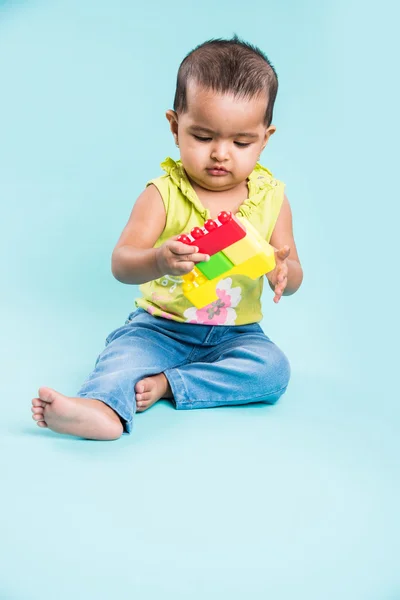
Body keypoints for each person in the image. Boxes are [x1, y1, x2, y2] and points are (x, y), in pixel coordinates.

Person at [31, 36, 303, 441]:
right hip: (161, 327)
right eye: (203, 136)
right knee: (123, 357)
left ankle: (170, 384)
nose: (220, 154)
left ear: (264, 139)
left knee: (272, 371)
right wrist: (158, 259)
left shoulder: (272, 199)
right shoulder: (163, 194)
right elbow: (121, 262)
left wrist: (282, 271)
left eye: (241, 142)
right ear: (176, 128)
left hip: (237, 333)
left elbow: (294, 273)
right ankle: (101, 408)